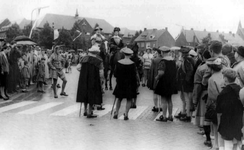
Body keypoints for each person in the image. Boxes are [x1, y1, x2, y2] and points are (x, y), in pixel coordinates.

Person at [216, 68, 243, 150]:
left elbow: (219, 111)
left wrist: (219, 124)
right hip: (239, 120)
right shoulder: (240, 90)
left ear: (225, 79)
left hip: (226, 121)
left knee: (227, 143)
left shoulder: (222, 93)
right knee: (238, 142)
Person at [76, 45, 104, 118]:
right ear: (96, 53)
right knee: (92, 94)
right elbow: (101, 73)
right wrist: (101, 81)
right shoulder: (99, 61)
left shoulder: (84, 58)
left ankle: (85, 110)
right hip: (94, 79)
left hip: (84, 79)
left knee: (85, 93)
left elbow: (78, 67)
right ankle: (89, 112)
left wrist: (83, 73)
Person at [113, 47, 138, 120]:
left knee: (119, 99)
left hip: (120, 83)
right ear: (130, 55)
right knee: (129, 99)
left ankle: (116, 112)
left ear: (124, 54)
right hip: (130, 84)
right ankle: (126, 113)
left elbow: (115, 74)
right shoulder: (133, 64)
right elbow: (134, 75)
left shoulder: (119, 62)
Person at [205, 58, 225, 149]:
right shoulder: (225, 75)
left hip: (217, 105)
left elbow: (212, 95)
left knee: (217, 125)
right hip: (227, 103)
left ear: (212, 68)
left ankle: (217, 145)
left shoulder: (211, 79)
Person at [155, 46, 177, 122]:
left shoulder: (162, 61)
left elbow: (161, 72)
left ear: (162, 52)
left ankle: (164, 116)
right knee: (169, 99)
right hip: (171, 82)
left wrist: (157, 77)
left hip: (164, 82)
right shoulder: (173, 61)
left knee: (163, 99)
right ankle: (170, 116)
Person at [192, 50, 211, 133]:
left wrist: (195, 99)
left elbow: (197, 85)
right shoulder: (217, 65)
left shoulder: (201, 68)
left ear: (203, 57)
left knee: (203, 111)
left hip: (203, 92)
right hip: (213, 91)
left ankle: (204, 128)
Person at [175, 46, 195, 122]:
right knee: (184, 98)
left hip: (186, 82)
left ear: (184, 53)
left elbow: (190, 71)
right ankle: (184, 112)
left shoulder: (187, 60)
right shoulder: (189, 59)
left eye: (182, 52)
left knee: (186, 99)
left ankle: (187, 115)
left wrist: (186, 80)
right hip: (186, 82)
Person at [147, 47, 163, 112]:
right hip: (162, 78)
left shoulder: (154, 60)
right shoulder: (163, 60)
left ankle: (156, 106)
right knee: (161, 94)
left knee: (155, 93)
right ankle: (161, 106)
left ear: (158, 53)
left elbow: (151, 70)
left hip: (155, 78)